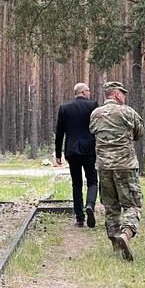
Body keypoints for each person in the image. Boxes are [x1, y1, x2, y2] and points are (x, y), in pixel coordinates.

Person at [89, 80, 144, 261]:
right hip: (125, 166)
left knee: (111, 207)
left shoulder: (95, 114)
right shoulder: (127, 111)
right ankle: (126, 233)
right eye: (123, 94)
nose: (124, 97)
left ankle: (116, 245)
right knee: (133, 204)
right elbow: (139, 133)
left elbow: (93, 132)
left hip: (104, 167)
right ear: (118, 94)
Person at [53, 82, 100, 227]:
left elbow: (60, 132)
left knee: (76, 184)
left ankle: (79, 219)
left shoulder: (64, 108)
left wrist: (58, 153)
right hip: (89, 150)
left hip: (72, 151)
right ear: (84, 92)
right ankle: (90, 205)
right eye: (89, 91)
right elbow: (98, 127)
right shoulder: (93, 106)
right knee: (92, 181)